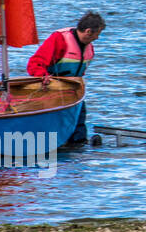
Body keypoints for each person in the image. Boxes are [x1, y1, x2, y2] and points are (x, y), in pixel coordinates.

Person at [27, 11, 105, 144]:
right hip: (53, 90)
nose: (98, 38)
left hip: (74, 91)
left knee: (79, 124)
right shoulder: (59, 39)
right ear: (88, 32)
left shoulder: (89, 47)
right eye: (98, 33)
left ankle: (79, 145)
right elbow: (34, 64)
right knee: (59, 123)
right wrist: (43, 76)